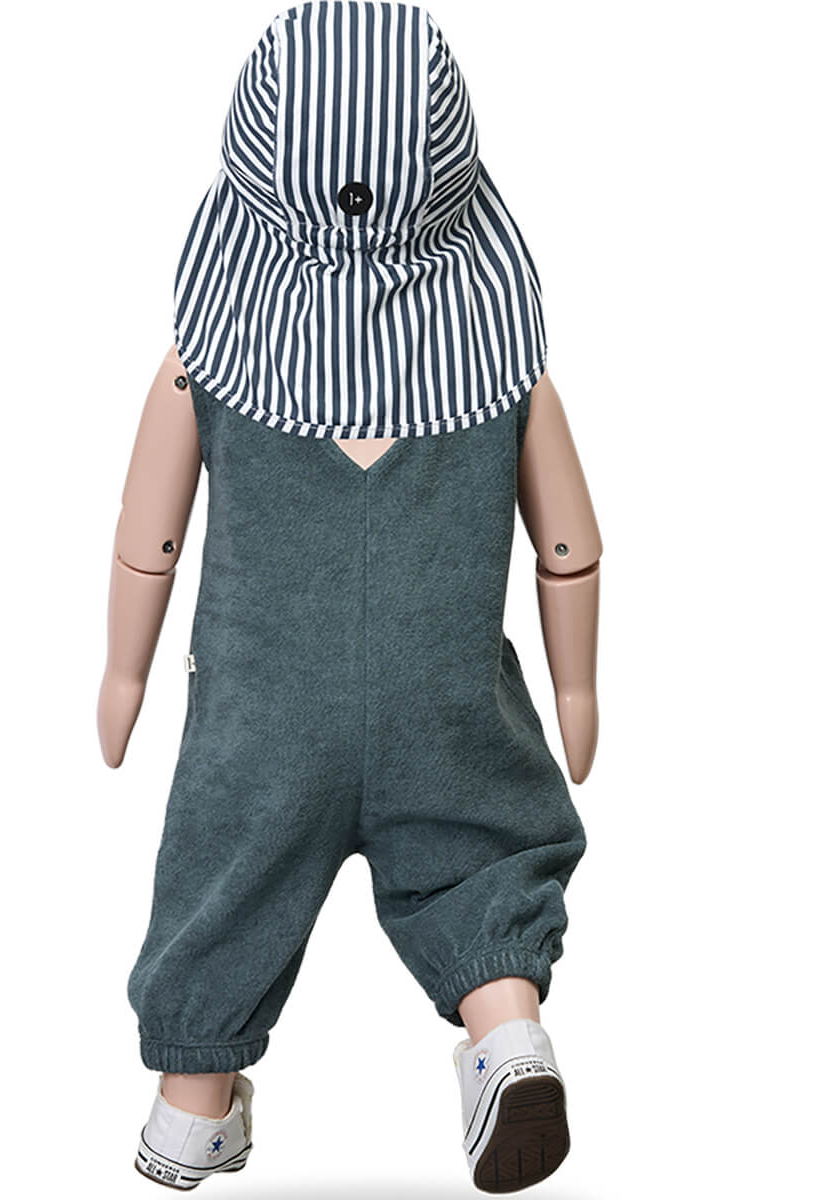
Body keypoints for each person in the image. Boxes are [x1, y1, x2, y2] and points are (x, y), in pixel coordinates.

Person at [97, 3, 603, 1191]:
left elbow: (147, 542)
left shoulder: (212, 355)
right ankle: (507, 1039)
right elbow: (571, 547)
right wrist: (577, 692)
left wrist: (122, 676)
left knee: (225, 884)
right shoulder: (501, 365)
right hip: (445, 697)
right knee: (485, 858)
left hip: (263, 710)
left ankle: (191, 1110)